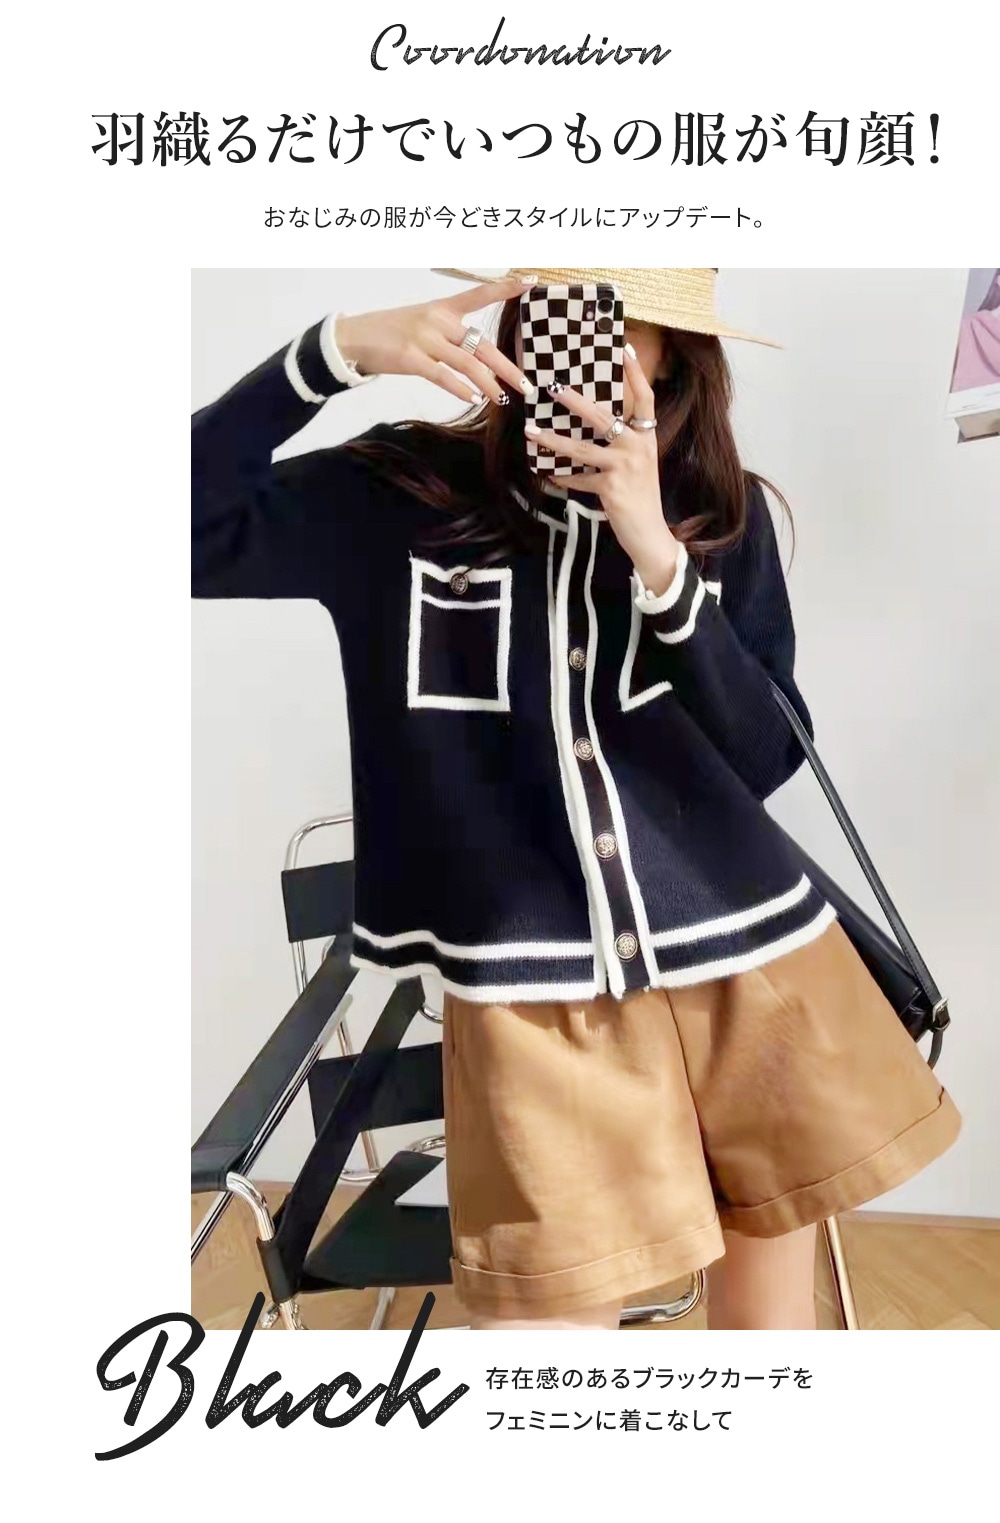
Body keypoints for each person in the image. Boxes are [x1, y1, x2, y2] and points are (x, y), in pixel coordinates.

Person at [192, 267, 961, 1330]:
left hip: (754, 971)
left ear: (677, 355)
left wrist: (658, 558)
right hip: (533, 1002)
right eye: (562, 311)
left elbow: (765, 757)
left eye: (621, 321)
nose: (586, 347)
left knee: (768, 1328)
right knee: (546, 1338)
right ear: (518, 324)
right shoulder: (399, 493)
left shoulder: (719, 515)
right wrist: (330, 354)